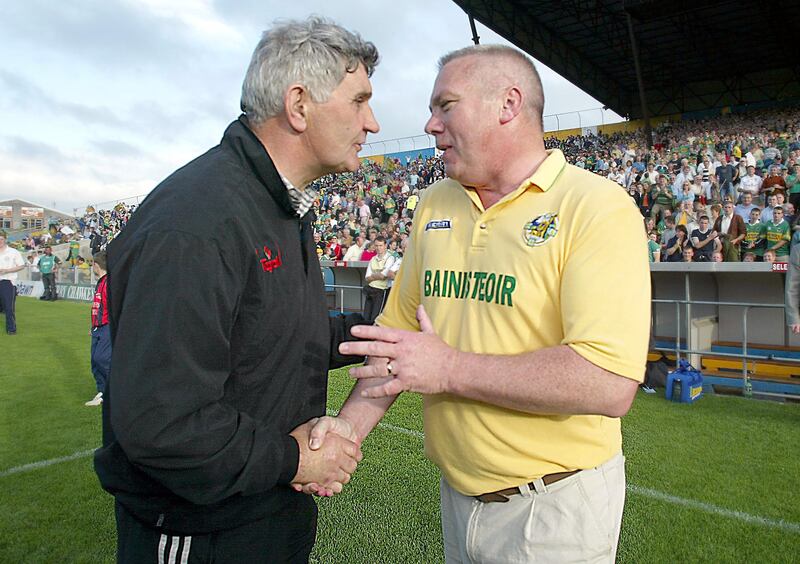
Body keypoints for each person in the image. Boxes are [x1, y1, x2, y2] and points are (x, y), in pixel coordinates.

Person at [309, 45, 649, 562]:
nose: (429, 124)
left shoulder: (596, 207)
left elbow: (607, 381)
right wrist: (345, 432)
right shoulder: (435, 202)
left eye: (446, 106)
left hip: (554, 506)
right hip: (457, 497)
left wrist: (449, 368)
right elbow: (395, 344)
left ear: (508, 105)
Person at [93, 17, 378, 563]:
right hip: (200, 530)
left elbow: (273, 333)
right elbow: (163, 420)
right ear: (299, 105)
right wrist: (294, 460)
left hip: (265, 516)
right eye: (359, 99)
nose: (373, 121)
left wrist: (375, 327)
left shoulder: (276, 204)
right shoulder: (199, 221)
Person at [86, 251, 110, 407]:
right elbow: (98, 308)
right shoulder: (101, 282)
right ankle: (102, 391)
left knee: (102, 358)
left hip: (108, 326)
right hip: (98, 328)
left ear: (96, 264)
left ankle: (114, 390)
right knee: (95, 361)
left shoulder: (109, 283)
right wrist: (93, 326)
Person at [362, 235, 395, 323]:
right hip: (370, 290)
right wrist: (378, 274)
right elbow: (367, 278)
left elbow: (383, 276)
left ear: (385, 246)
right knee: (366, 316)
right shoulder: (373, 258)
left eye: (380, 245)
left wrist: (373, 276)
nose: (378, 248)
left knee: (376, 317)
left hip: (381, 291)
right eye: (376, 246)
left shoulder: (390, 258)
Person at [0, 232, 25, 335]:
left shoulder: (13, 252)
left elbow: (21, 265)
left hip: (7, 281)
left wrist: (7, 270)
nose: (0, 241)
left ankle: (11, 329)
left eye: (1, 239)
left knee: (9, 308)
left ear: (5, 239)